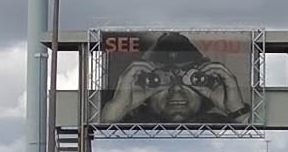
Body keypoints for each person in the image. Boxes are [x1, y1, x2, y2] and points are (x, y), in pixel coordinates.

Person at [100, 32, 250, 124]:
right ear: (143, 83)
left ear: (205, 80)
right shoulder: (129, 129)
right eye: (163, 79)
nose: (176, 89)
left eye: (189, 78)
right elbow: (98, 148)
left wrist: (237, 112)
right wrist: (118, 109)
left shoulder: (221, 127)